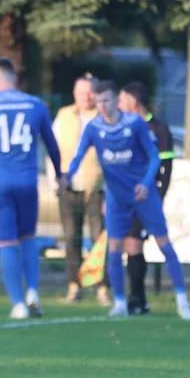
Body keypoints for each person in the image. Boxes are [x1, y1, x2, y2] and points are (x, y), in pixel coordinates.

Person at [64, 80, 190, 320]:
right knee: (114, 250)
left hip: (143, 196)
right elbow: (79, 155)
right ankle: (120, 304)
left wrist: (145, 184)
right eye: (98, 100)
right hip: (117, 198)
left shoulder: (134, 124)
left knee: (165, 245)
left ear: (115, 101)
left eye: (107, 100)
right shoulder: (93, 128)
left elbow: (155, 158)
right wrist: (66, 177)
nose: (102, 105)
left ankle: (182, 301)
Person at [0, 58, 63, 319]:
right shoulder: (36, 105)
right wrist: (60, 175)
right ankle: (33, 291)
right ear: (15, 79)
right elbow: (52, 145)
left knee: (7, 241)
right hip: (27, 179)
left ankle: (18, 303)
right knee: (28, 237)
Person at [51, 73, 109, 305]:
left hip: (96, 187)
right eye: (82, 92)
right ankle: (74, 286)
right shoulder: (64, 116)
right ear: (75, 94)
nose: (86, 97)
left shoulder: (103, 117)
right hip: (69, 187)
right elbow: (53, 148)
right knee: (71, 238)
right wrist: (57, 178)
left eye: (90, 92)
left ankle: (102, 287)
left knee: (99, 239)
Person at [118, 81, 174, 315]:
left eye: (121, 100)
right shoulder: (123, 126)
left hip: (147, 197)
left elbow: (167, 168)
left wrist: (157, 199)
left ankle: (138, 298)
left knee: (136, 242)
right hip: (127, 196)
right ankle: (138, 298)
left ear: (134, 101)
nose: (119, 104)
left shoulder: (158, 129)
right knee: (132, 244)